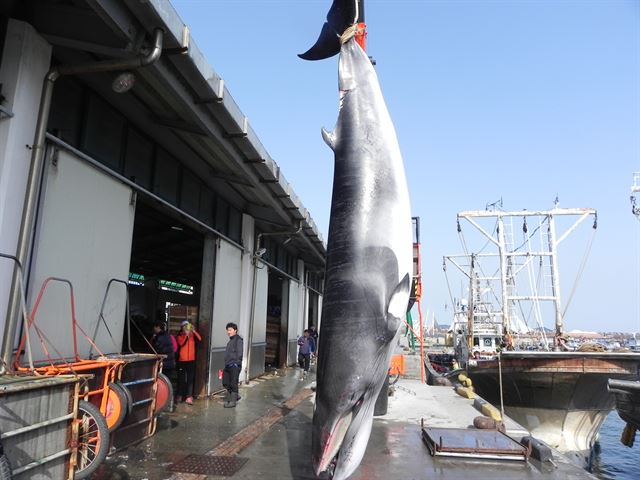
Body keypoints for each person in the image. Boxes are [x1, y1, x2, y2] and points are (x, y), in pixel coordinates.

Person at [175, 320, 201, 405]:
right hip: (182, 360)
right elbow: (181, 343)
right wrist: (186, 335)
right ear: (182, 328)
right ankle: (179, 395)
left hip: (191, 360)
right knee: (181, 379)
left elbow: (200, 339)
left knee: (190, 379)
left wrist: (193, 331)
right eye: (185, 326)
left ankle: (189, 397)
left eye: (188, 326)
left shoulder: (192, 335)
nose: (187, 328)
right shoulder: (179, 335)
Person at [223, 322, 243, 408]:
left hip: (234, 365)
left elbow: (240, 353)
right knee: (225, 382)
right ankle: (236, 396)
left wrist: (236, 363)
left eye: (230, 330)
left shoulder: (238, 340)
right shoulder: (230, 340)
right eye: (227, 330)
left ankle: (233, 402)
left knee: (233, 383)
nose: (228, 332)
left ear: (235, 330)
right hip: (228, 365)